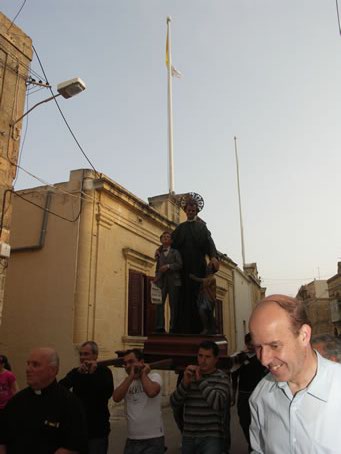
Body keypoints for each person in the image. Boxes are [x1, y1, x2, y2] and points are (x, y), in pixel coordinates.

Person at [249, 294, 341, 454]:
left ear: (304, 335)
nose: (264, 360)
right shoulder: (260, 396)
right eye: (258, 347)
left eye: (275, 345)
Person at [0, 347, 87, 454]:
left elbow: (73, 446)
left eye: (35, 365)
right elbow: (2, 439)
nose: (28, 369)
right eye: (28, 364)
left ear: (53, 370)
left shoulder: (70, 403)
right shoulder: (16, 401)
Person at [170, 340, 230, 454]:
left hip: (211, 437)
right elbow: (174, 403)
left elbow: (218, 403)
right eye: (200, 356)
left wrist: (200, 381)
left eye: (208, 357)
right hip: (189, 436)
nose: (203, 361)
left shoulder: (222, 378)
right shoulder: (189, 376)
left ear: (216, 359)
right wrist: (185, 384)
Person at [171, 193, 219, 333]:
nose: (191, 212)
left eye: (193, 210)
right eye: (188, 210)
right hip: (184, 268)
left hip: (198, 267)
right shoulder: (180, 228)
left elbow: (210, 244)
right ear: (185, 211)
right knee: (183, 297)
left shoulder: (202, 228)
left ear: (196, 211)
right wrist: (160, 249)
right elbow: (171, 243)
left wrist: (214, 257)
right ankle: (183, 328)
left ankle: (203, 328)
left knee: (199, 298)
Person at [59, 340, 114, 454]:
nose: (82, 357)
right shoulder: (76, 372)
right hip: (78, 430)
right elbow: (60, 388)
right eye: (81, 354)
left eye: (86, 354)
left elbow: (106, 393)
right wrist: (78, 373)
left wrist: (92, 374)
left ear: (95, 355)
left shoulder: (104, 371)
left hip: (97, 430)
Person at [113, 348, 164, 454]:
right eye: (125, 363)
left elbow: (151, 392)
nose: (127, 366)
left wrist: (143, 374)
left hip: (153, 439)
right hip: (132, 439)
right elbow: (116, 398)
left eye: (131, 362)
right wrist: (131, 376)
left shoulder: (154, 377)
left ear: (141, 362)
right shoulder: (127, 381)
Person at [231, 334, 267, 452]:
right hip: (244, 395)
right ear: (246, 344)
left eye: (254, 344)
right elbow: (234, 376)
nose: (252, 347)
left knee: (260, 422)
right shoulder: (240, 357)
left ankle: (256, 446)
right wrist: (233, 394)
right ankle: (251, 444)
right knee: (245, 421)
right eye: (250, 344)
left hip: (259, 396)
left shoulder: (263, 356)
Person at [154, 231, 182, 333]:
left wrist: (169, 266)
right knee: (159, 303)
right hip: (162, 281)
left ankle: (173, 327)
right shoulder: (159, 253)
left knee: (173, 305)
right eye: (163, 237)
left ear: (171, 240)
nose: (165, 238)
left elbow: (179, 265)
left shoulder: (175, 252)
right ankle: (160, 326)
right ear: (161, 240)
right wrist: (156, 277)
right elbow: (157, 268)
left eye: (167, 237)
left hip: (174, 281)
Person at [190, 264, 217, 334]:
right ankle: (208, 328)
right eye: (207, 267)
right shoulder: (208, 277)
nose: (207, 268)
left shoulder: (212, 278)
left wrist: (194, 278)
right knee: (205, 312)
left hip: (210, 298)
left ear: (212, 270)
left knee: (207, 312)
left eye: (209, 267)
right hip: (204, 298)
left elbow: (204, 281)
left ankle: (209, 328)